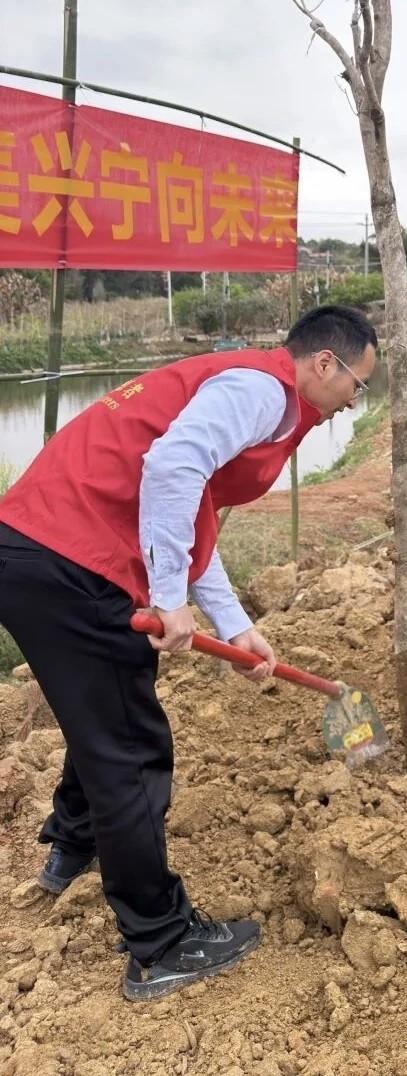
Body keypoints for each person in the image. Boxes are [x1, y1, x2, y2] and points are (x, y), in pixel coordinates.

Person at [0, 305, 378, 1001]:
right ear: (325, 363)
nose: (355, 401)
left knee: (101, 715)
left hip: (32, 549)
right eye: (359, 384)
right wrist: (168, 595)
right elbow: (172, 468)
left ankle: (72, 846)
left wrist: (235, 628)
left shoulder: (243, 385)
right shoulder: (262, 391)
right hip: (75, 564)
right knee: (131, 748)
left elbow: (189, 509)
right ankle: (161, 943)